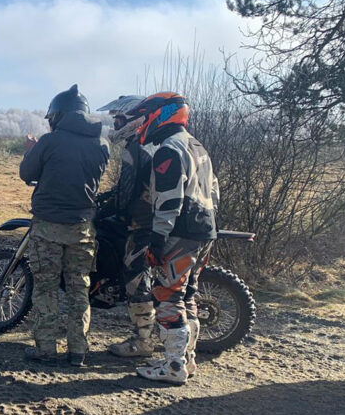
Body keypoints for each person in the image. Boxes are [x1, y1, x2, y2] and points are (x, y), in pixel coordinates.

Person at [116, 92, 219, 384]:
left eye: (146, 116)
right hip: (204, 229)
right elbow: (215, 192)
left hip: (179, 231)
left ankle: (174, 366)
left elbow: (169, 200)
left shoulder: (168, 150)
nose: (143, 122)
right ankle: (188, 359)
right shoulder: (197, 147)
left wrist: (158, 239)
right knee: (188, 296)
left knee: (167, 295)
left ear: (161, 115)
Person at [19, 84, 109, 366]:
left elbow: (27, 173)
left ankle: (46, 349)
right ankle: (78, 351)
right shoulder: (102, 144)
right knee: (78, 288)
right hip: (82, 227)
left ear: (58, 116)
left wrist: (32, 151)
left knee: (45, 288)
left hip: (47, 227)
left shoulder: (49, 141)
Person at [97, 95, 157, 359]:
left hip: (140, 224)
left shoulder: (137, 148)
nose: (116, 123)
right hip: (150, 220)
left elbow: (127, 197)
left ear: (135, 121)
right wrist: (106, 197)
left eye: (120, 119)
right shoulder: (146, 145)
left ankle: (142, 341)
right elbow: (124, 189)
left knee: (135, 280)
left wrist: (103, 208)